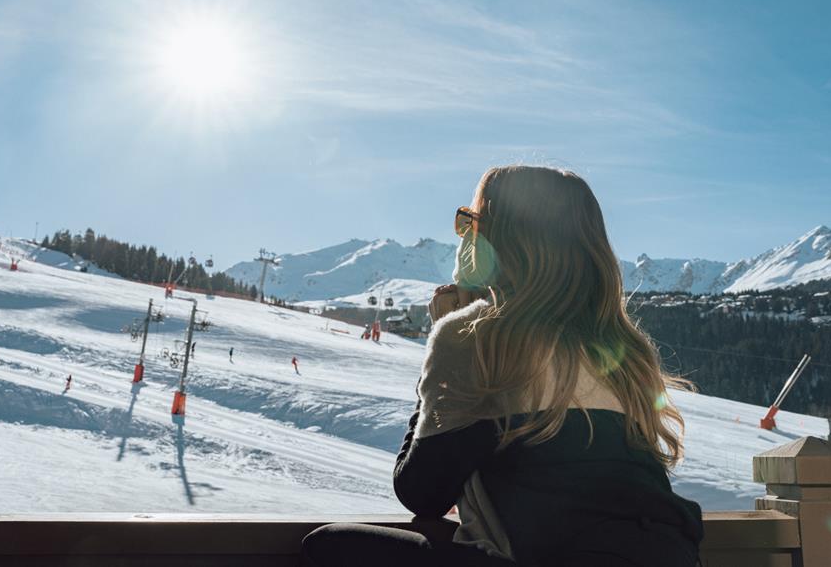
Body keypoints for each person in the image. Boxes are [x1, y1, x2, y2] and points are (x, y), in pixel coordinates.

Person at [300, 166, 703, 567]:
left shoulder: (477, 336)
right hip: (667, 553)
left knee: (329, 546)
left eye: (470, 221)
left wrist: (442, 336)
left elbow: (422, 491)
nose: (463, 235)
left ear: (501, 238)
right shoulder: (626, 350)